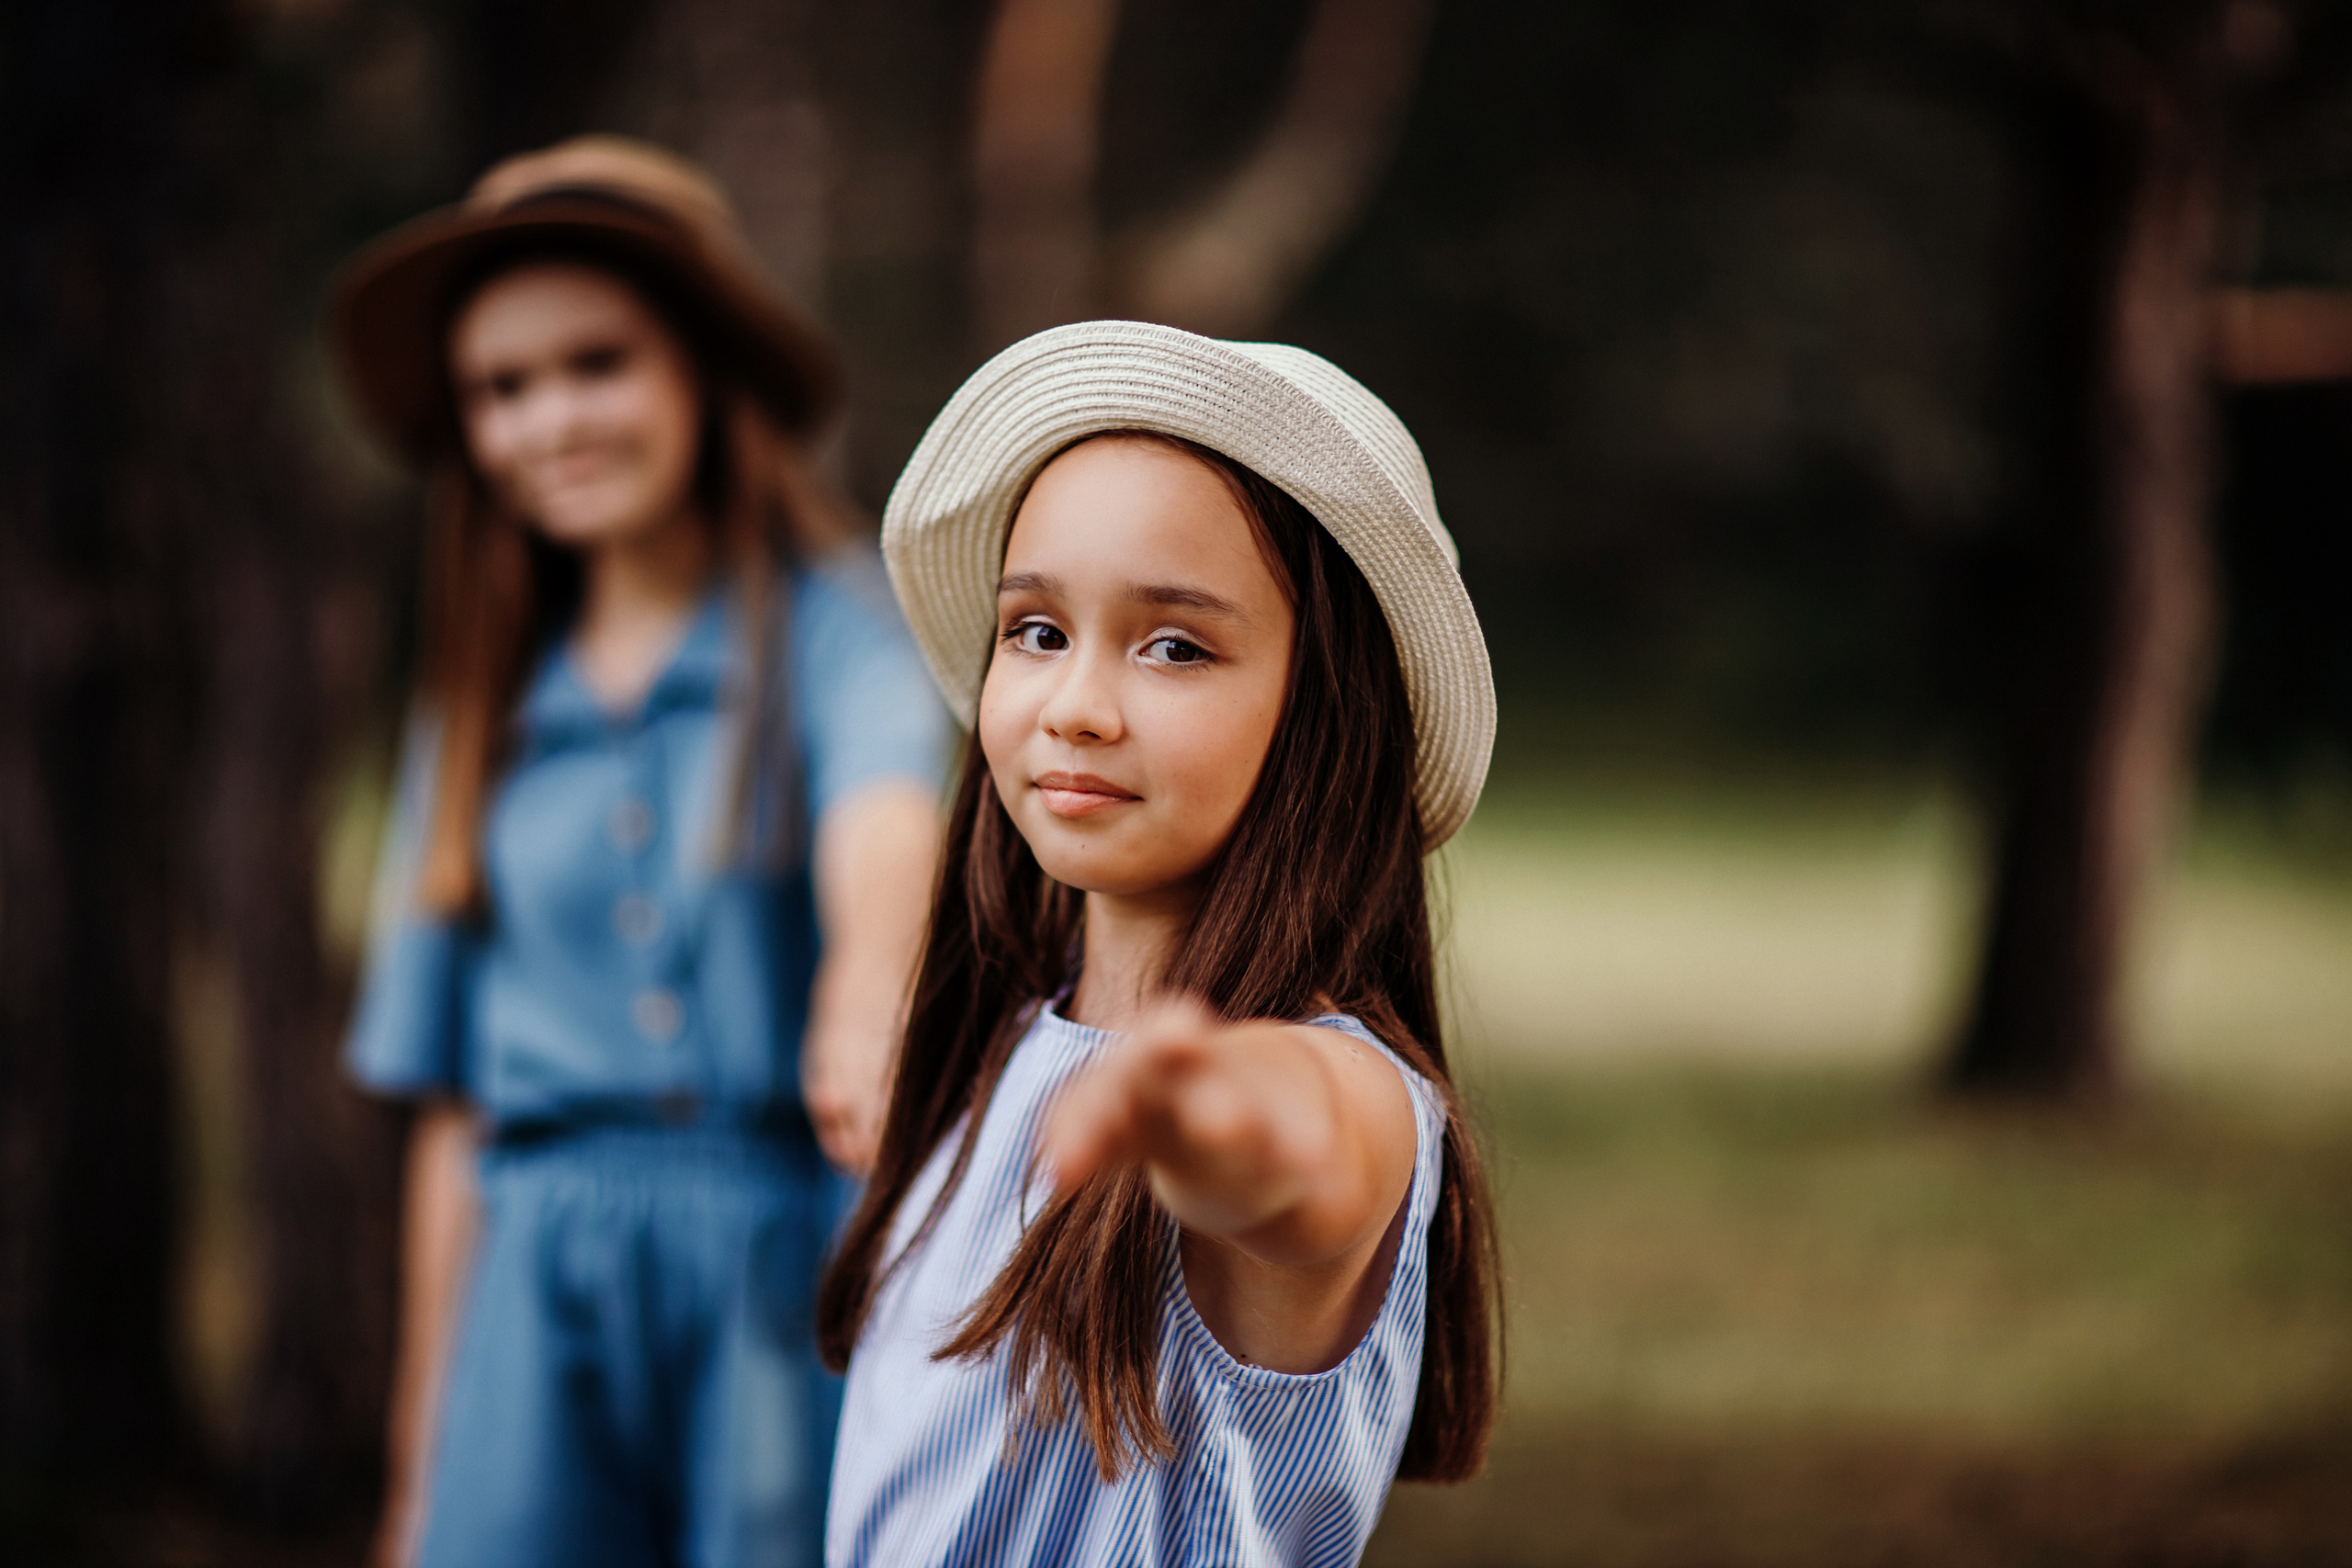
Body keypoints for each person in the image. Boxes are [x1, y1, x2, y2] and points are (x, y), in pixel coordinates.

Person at [330, 137, 950, 1568]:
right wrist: (419, 1466)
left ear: (704, 372)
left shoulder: (839, 634)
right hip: (529, 1303)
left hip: (780, 1280)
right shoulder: (477, 707)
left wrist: (868, 979)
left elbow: (888, 824)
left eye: (595, 362)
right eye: (501, 388)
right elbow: (451, 1108)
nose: (549, 418)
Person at [818, 321, 1502, 1565]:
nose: (1076, 705)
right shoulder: (1009, 1047)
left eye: (1175, 646)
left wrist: (1208, 1115)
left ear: (1325, 720)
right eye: (1037, 631)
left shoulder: (1342, 1090)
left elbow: (1302, 1150)